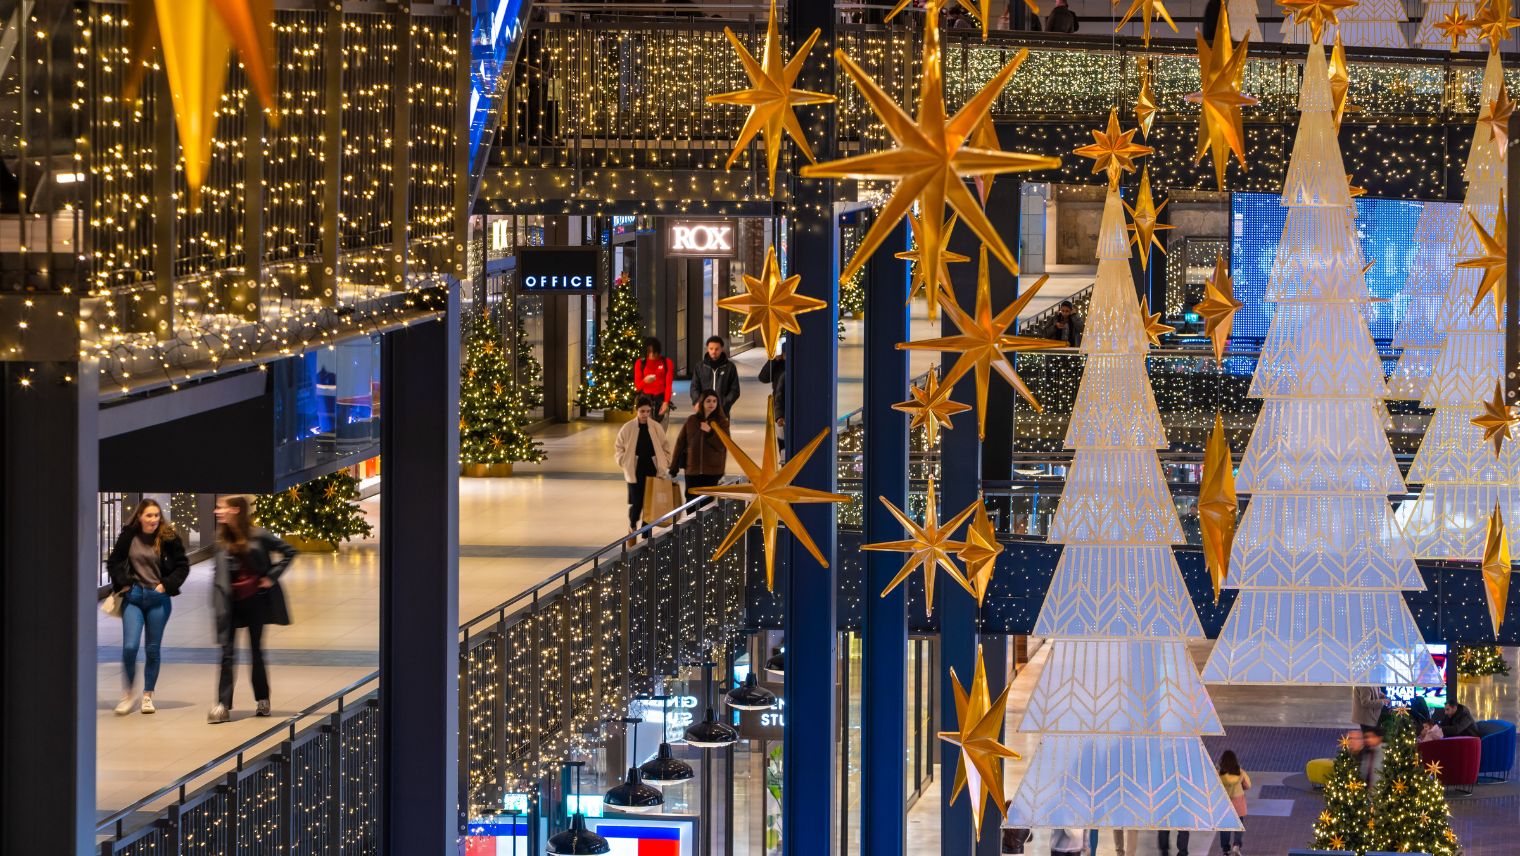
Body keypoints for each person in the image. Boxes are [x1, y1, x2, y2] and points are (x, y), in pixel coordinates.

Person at [209, 495, 297, 724]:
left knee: (256, 651)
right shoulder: (222, 540)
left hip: (255, 602)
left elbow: (289, 551)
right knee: (227, 654)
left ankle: (263, 699)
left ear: (236, 510)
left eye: (221, 508)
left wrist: (271, 577)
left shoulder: (258, 535)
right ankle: (222, 704)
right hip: (230, 605)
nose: (217, 512)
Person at [107, 498, 191, 715]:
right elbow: (114, 561)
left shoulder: (169, 538)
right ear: (140, 517)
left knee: (152, 649)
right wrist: (123, 582)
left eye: (156, 515)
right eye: (149, 515)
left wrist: (167, 585)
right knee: (130, 647)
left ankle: (147, 695)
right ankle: (127, 694)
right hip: (133, 597)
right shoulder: (129, 535)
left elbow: (182, 566)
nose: (154, 519)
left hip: (158, 599)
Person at [614, 397, 673, 534]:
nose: (645, 414)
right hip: (635, 470)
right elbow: (619, 447)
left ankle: (647, 532)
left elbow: (665, 446)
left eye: (647, 411)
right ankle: (633, 523)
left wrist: (665, 462)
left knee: (650, 503)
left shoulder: (656, 427)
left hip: (652, 469)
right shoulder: (628, 428)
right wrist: (625, 461)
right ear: (637, 411)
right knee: (637, 502)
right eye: (642, 411)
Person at [671, 390, 729, 504]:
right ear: (702, 403)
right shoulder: (691, 420)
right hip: (692, 470)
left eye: (714, 401)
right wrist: (673, 467)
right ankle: (691, 522)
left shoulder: (722, 422)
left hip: (712, 471)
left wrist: (710, 432)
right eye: (708, 401)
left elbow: (723, 445)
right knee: (690, 502)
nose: (711, 404)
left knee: (707, 504)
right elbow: (680, 443)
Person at [691, 335, 740, 415]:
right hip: (703, 410)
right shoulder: (699, 366)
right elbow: (694, 387)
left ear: (722, 349)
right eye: (711, 349)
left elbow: (735, 390)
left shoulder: (730, 367)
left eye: (717, 349)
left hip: (722, 411)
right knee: (704, 428)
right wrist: (698, 402)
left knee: (721, 428)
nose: (714, 351)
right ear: (707, 349)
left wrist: (725, 404)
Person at [1217, 750, 1250, 856]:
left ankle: (1225, 850)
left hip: (1224, 804)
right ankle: (1236, 845)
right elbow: (1248, 785)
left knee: (1225, 828)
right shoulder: (1240, 772)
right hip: (1238, 803)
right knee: (1238, 826)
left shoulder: (1219, 774)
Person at [634, 337, 674, 422]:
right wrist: (645, 381)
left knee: (661, 429)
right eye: (649, 352)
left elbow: (668, 385)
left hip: (661, 397)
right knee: (646, 428)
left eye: (654, 352)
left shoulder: (667, 362)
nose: (652, 355)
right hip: (645, 399)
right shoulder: (640, 363)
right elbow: (637, 387)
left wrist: (666, 402)